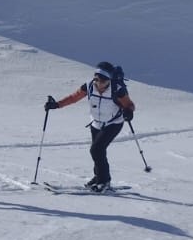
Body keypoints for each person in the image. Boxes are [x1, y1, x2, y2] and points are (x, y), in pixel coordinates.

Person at [46, 61, 136, 191]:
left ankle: (104, 181)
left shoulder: (117, 90)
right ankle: (98, 176)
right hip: (96, 123)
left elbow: (130, 105)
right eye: (97, 80)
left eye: (103, 81)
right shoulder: (88, 86)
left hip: (113, 123)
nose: (99, 83)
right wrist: (57, 105)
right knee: (98, 151)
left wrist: (129, 112)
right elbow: (73, 97)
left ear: (108, 80)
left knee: (96, 149)